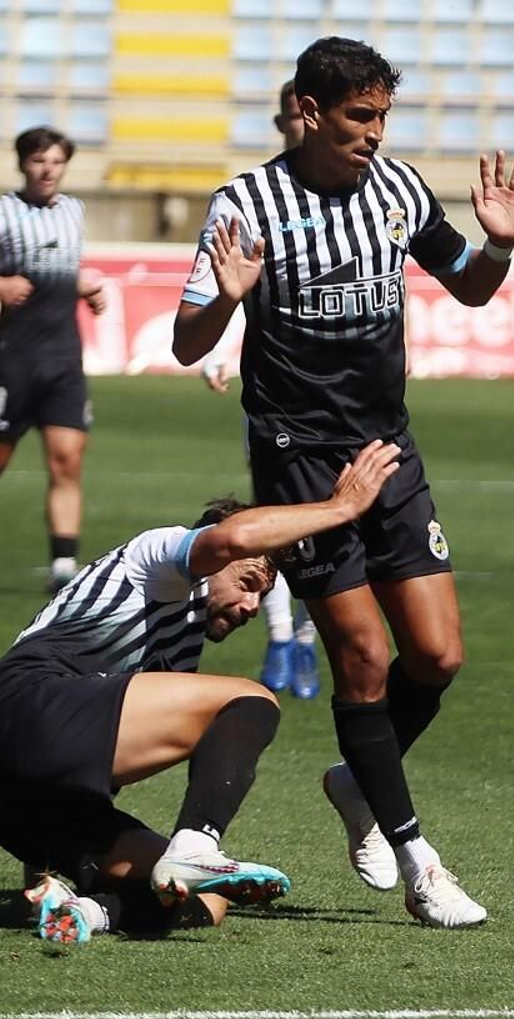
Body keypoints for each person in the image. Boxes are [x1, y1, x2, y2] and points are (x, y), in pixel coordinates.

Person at [170, 37, 514, 929]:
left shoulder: (402, 190)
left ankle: (356, 779)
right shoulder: (246, 205)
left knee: (438, 657)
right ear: (308, 112)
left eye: (382, 117)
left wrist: (498, 245)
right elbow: (185, 342)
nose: (374, 134)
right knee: (365, 657)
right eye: (357, 117)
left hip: (388, 451)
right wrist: (225, 298)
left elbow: (471, 288)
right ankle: (421, 864)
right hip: (299, 460)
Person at [2, 439, 402, 944]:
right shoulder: (159, 556)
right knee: (250, 700)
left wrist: (42, 866)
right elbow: (228, 541)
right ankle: (197, 843)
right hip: (22, 703)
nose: (253, 606)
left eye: (262, 593)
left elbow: (92, 760)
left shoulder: (178, 654)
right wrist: (340, 507)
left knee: (208, 902)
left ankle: (85, 913)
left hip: (25, 797)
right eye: (248, 582)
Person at [200, 78, 321, 702]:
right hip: (275, 399)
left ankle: (306, 640)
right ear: (286, 122)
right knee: (279, 524)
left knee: (334, 530)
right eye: (299, 116)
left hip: (348, 403)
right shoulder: (257, 200)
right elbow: (232, 290)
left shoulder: (358, 198)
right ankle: (279, 635)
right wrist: (219, 352)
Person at [0, 126, 108, 594]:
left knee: (67, 461)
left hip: (63, 358)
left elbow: (59, 266)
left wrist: (82, 286)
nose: (48, 170)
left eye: (57, 161)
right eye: (39, 160)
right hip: (10, 359)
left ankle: (64, 565)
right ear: (23, 164)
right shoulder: (4, 211)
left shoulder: (74, 212)